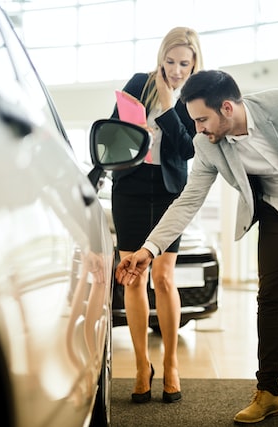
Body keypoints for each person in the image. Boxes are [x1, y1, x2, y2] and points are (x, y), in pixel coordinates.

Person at [115, 69, 278, 422]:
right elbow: (188, 201)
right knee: (268, 298)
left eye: (202, 119)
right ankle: (269, 392)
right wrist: (149, 249)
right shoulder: (207, 146)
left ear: (228, 108)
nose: (197, 129)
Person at [110, 27, 204, 404]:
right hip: (130, 188)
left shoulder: (196, 96)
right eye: (170, 62)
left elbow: (187, 149)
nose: (177, 70)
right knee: (134, 277)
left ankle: (170, 365)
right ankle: (140, 366)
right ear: (160, 58)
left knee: (163, 278)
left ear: (195, 62)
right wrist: (132, 130)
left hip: (169, 191)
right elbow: (113, 134)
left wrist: (167, 109)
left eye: (184, 63)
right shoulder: (138, 83)